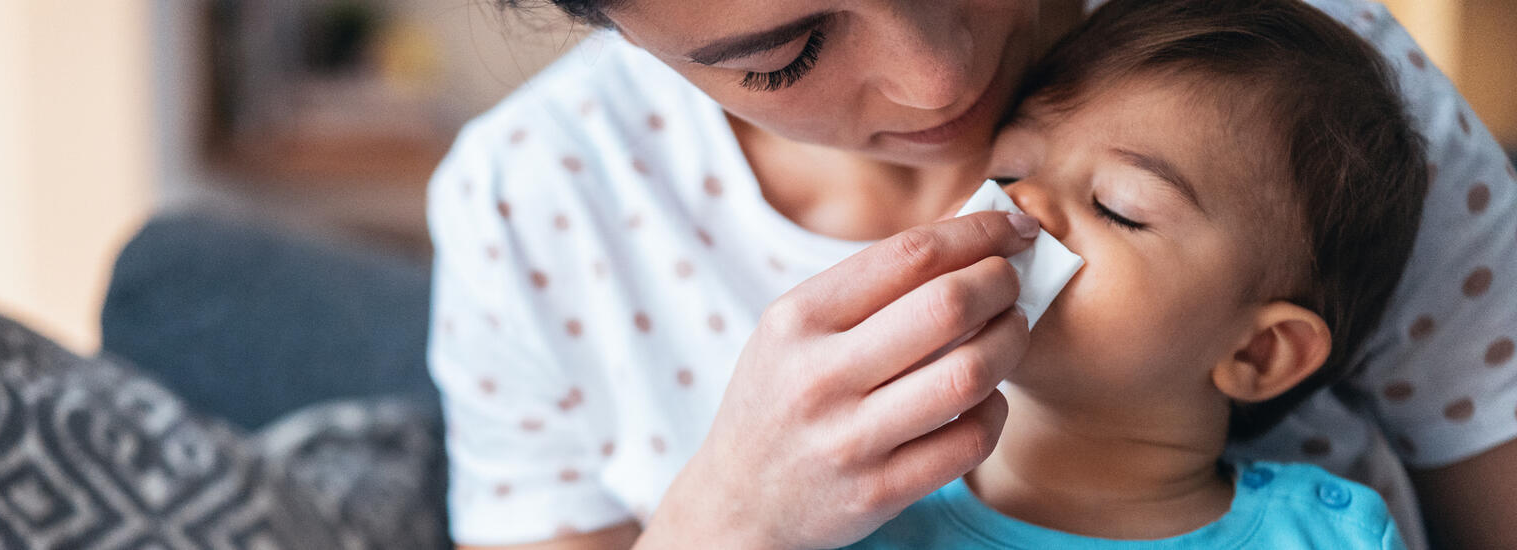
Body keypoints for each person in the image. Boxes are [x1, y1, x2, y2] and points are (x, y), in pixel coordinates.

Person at [426, 0, 1517, 548]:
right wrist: (729, 516)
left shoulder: (1307, 98)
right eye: (786, 56)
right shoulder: (532, 205)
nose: (939, 81)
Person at [846, 0, 1421, 545]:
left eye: (1116, 208)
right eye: (1007, 172)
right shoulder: (861, 503)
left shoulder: (1331, 537)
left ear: (1258, 352)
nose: (1026, 203)